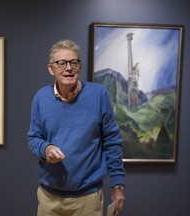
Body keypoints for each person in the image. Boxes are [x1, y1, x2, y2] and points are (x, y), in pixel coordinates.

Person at [27, 39, 126, 216]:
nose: (69, 68)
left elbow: (112, 141)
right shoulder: (41, 98)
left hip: (88, 198)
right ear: (51, 69)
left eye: (74, 62)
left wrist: (117, 184)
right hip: (49, 198)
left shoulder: (98, 94)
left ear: (79, 67)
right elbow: (33, 138)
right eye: (61, 63)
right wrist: (46, 149)